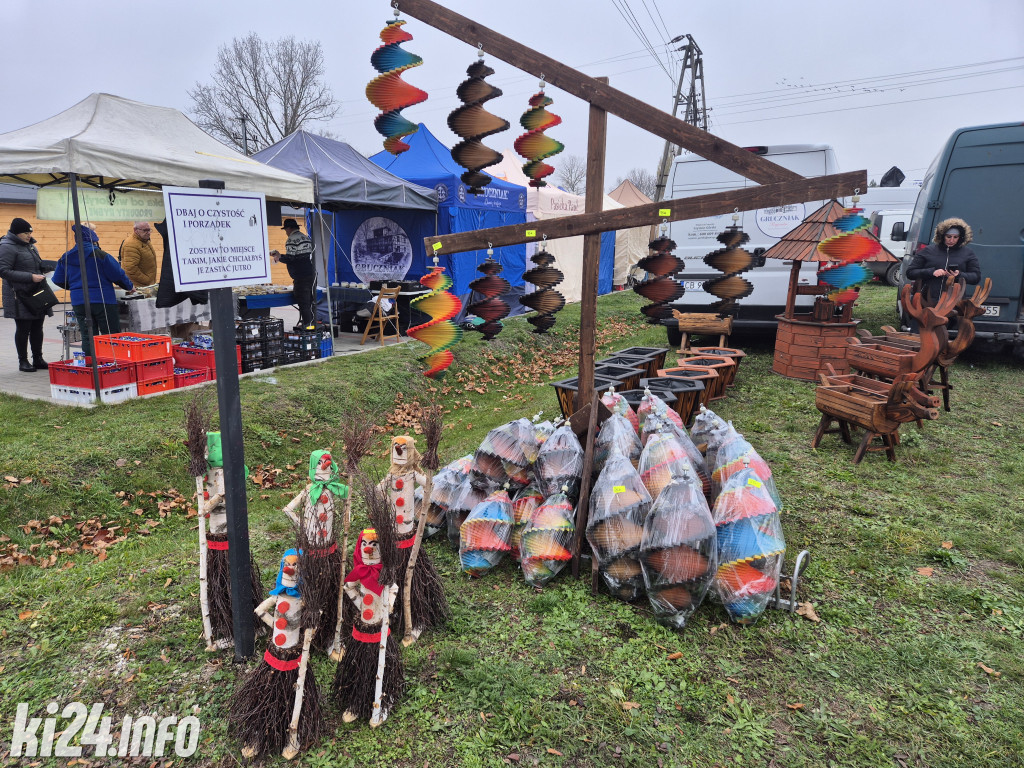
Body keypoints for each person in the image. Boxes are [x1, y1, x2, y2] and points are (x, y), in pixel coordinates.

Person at [51, 225, 134, 356]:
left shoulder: (65, 258)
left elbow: (57, 279)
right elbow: (118, 275)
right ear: (93, 240)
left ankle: (91, 363)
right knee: (110, 334)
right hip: (103, 300)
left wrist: (74, 287)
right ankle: (112, 361)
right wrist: (130, 287)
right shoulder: (101, 255)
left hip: (79, 302)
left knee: (87, 335)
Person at [0, 217, 56, 372]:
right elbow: (4, 271)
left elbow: (32, 264)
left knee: (38, 326)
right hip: (19, 295)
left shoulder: (30, 246)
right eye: (25, 233)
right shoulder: (6, 246)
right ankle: (23, 361)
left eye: (30, 232)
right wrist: (30, 277)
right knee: (24, 328)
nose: (29, 235)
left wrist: (43, 268)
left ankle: (38, 358)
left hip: (36, 292)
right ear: (16, 233)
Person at [905, 217, 981, 303]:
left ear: (960, 238)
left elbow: (976, 277)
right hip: (928, 301)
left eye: (955, 237)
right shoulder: (928, 251)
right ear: (942, 236)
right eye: (948, 237)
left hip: (954, 303)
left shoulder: (968, 253)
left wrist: (959, 275)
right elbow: (910, 272)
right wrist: (931, 272)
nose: (951, 240)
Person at [271, 218, 316, 330]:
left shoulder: (291, 240)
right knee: (310, 302)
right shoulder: (306, 238)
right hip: (311, 272)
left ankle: (308, 328)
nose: (286, 232)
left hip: (301, 276)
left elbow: (291, 259)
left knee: (303, 303)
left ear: (289, 228)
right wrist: (281, 256)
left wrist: (279, 257)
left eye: (286, 230)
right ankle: (311, 324)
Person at [119, 221, 157, 286]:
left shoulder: (145, 241)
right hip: (138, 287)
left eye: (149, 230)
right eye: (145, 230)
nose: (148, 233)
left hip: (146, 285)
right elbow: (131, 269)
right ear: (135, 230)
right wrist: (147, 280)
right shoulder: (131, 244)